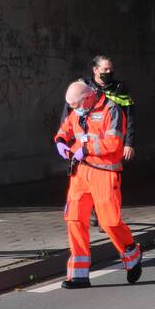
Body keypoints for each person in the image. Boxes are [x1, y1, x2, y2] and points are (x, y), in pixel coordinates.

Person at [54, 81, 142, 288]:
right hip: (81, 172)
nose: (74, 110)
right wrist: (60, 141)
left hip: (105, 172)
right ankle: (79, 274)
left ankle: (131, 252)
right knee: (74, 219)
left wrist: (86, 149)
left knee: (109, 222)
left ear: (87, 98)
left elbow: (114, 143)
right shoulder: (78, 111)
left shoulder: (112, 110)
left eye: (76, 105)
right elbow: (66, 128)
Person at [62, 55, 136, 227]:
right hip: (85, 148)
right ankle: (96, 213)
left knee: (107, 189)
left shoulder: (120, 89)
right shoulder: (82, 87)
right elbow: (70, 115)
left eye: (111, 69)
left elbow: (130, 117)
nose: (109, 72)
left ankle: (107, 219)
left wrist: (129, 142)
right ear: (95, 70)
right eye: (105, 69)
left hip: (110, 143)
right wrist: (63, 139)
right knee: (82, 188)